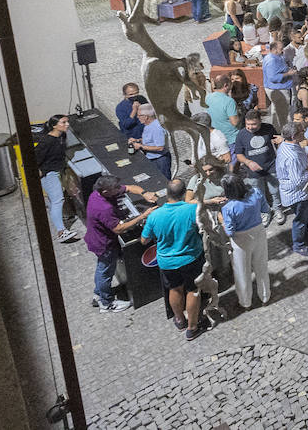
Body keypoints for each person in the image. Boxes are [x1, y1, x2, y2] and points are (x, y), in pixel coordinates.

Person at [140, 178, 206, 340]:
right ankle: (192, 327)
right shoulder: (192, 209)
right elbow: (203, 228)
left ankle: (179, 320)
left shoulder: (155, 215)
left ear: (167, 193)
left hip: (167, 262)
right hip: (190, 258)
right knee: (193, 290)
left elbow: (144, 240)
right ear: (184, 194)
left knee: (174, 289)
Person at [84, 174, 157, 310]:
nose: (119, 189)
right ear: (106, 191)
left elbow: (129, 188)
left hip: (98, 239)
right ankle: (106, 303)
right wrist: (143, 216)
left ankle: (98, 293)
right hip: (103, 244)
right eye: (115, 188)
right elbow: (118, 228)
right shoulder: (103, 207)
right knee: (105, 271)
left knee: (102, 269)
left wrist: (144, 193)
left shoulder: (98, 193)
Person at [218, 172, 271, 308]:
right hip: (258, 231)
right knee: (261, 266)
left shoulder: (228, 207)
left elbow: (230, 231)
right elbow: (265, 209)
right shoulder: (256, 192)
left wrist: (222, 220)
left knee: (242, 271)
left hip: (241, 239)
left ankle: (245, 302)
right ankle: (265, 296)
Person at [233, 111, 283, 226]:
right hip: (253, 171)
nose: (250, 127)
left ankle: (277, 209)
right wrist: (248, 162)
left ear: (260, 121)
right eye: (248, 124)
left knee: (275, 190)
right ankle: (265, 212)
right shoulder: (241, 134)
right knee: (258, 193)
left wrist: (281, 143)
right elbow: (239, 155)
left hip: (270, 166)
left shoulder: (269, 128)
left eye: (254, 124)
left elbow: (277, 142)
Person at [276, 121, 308, 257]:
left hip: (300, 192)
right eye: (301, 132)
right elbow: (299, 180)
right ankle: (299, 245)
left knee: (304, 217)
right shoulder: (292, 156)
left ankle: (306, 236)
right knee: (300, 219)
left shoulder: (288, 145)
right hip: (298, 194)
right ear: (294, 136)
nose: (304, 133)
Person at [35, 113, 78, 242]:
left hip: (57, 170)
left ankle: (62, 218)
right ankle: (61, 232)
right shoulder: (47, 141)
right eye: (63, 122)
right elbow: (33, 159)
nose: (67, 124)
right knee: (57, 200)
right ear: (54, 126)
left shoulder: (62, 136)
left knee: (57, 198)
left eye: (67, 122)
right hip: (49, 173)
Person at [131, 104, 173, 180]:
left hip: (160, 160)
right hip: (152, 158)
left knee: (164, 181)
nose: (137, 117)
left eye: (139, 115)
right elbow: (150, 140)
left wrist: (140, 146)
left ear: (146, 117)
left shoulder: (157, 128)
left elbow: (160, 147)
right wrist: (138, 140)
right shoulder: (148, 125)